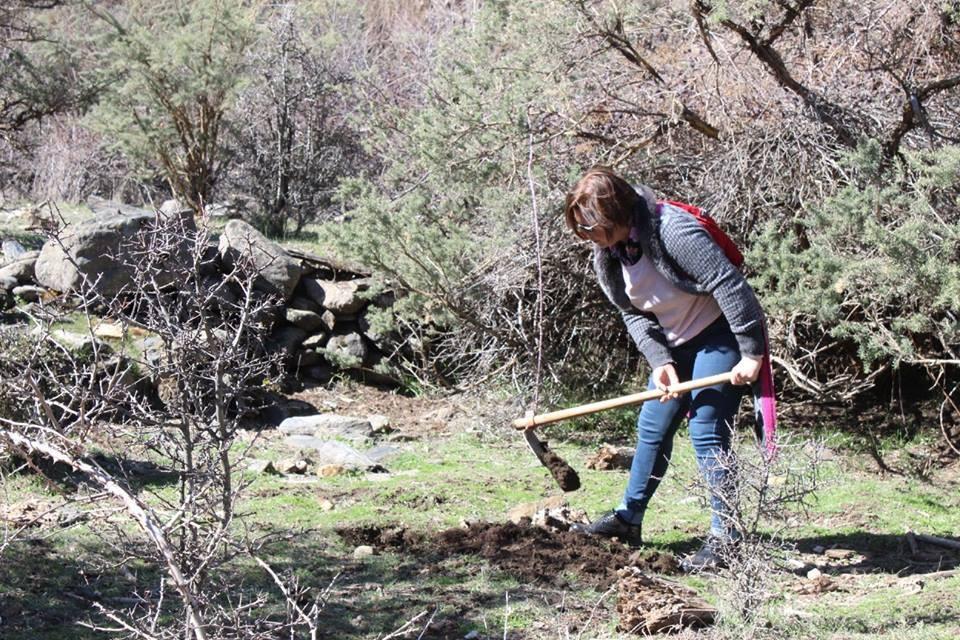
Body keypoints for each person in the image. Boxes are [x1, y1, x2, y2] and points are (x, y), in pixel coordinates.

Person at [564, 166, 774, 571]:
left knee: (707, 427)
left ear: (616, 214)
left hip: (720, 335)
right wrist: (660, 362)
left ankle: (726, 538)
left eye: (592, 227)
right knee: (653, 424)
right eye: (583, 229)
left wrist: (751, 352)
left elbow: (730, 285)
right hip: (675, 345)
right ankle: (628, 518)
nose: (587, 237)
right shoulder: (607, 254)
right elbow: (632, 313)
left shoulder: (673, 230)